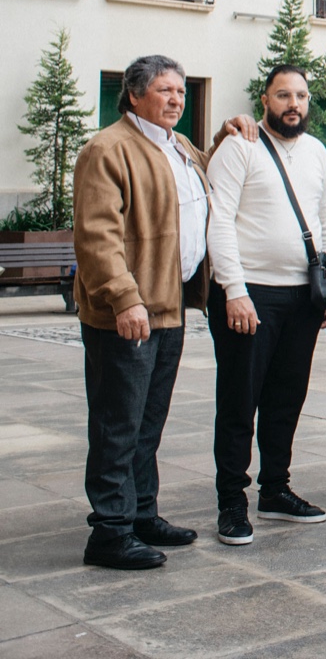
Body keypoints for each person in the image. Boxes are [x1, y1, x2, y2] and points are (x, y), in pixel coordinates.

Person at [73, 56, 209, 570]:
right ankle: (108, 531)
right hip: (129, 311)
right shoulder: (107, 149)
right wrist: (124, 296)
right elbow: (96, 234)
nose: (176, 98)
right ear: (133, 95)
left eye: (180, 90)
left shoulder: (179, 147)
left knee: (148, 421)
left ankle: (141, 514)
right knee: (117, 422)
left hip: (169, 305)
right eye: (164, 90)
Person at [206, 65, 326, 546]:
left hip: (302, 295)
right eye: (284, 95)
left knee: (287, 397)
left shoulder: (318, 152)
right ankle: (231, 503)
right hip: (250, 295)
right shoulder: (239, 147)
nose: (294, 104)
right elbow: (219, 224)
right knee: (240, 401)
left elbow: (323, 221)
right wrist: (233, 290)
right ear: (265, 99)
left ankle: (275, 489)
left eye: (301, 96)